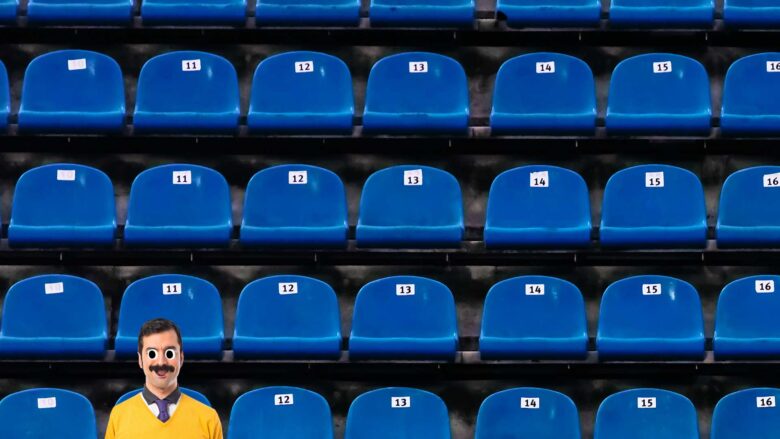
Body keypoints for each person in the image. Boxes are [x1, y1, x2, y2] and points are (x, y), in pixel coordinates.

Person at [105, 318, 223, 439]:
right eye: (152, 353)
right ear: (140, 359)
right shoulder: (118, 415)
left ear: (181, 358)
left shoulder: (208, 417)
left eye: (169, 353)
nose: (161, 362)